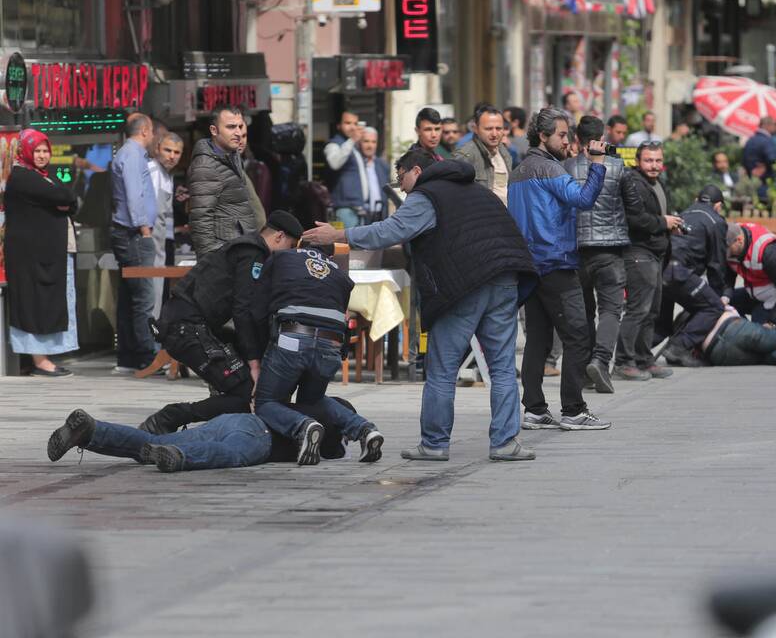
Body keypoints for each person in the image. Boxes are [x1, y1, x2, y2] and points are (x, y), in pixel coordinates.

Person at [303, 149, 539, 460]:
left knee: (442, 368)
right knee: (503, 367)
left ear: (416, 170)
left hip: (466, 285)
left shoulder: (428, 195)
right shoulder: (478, 191)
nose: (401, 187)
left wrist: (339, 234)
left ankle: (434, 443)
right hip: (507, 277)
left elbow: (390, 231)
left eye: (401, 178)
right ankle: (506, 443)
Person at [136, 212, 303, 434]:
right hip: (186, 328)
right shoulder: (252, 253)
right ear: (279, 236)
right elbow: (243, 310)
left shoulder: (244, 247)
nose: (288, 254)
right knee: (245, 393)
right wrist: (254, 363)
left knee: (246, 374)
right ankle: (168, 418)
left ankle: (225, 426)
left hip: (191, 324)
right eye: (290, 247)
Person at [509, 107, 611, 431]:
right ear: (543, 136)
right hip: (556, 262)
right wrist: (597, 164)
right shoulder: (550, 170)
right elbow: (583, 198)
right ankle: (573, 409)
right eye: (562, 135)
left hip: (531, 265)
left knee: (538, 339)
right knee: (579, 336)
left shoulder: (519, 170)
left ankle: (535, 409)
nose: (567, 141)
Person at [250, 245, 384, 466]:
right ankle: (364, 429)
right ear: (329, 256)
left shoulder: (283, 257)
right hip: (331, 343)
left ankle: (302, 426)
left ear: (300, 244)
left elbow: (257, 307)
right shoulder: (339, 274)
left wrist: (257, 352)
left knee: (266, 403)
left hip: (293, 337)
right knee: (312, 401)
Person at [48, 400, 365, 472]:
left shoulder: (304, 404)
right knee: (230, 455)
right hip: (260, 439)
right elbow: (335, 452)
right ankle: (181, 459)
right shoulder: (327, 426)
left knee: (153, 442)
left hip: (237, 419)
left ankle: (91, 431)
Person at [562, 115, 638, 393]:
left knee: (583, 312)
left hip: (576, 251)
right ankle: (601, 360)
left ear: (576, 140)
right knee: (610, 309)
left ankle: (584, 369)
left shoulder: (565, 167)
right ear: (602, 140)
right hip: (611, 250)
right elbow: (635, 209)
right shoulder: (619, 168)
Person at [4, 129, 78, 377]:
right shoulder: (23, 177)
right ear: (26, 151)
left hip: (41, 254)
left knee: (42, 304)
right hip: (29, 257)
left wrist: (66, 201)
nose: (42, 155)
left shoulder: (41, 176)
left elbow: (70, 200)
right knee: (32, 304)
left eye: (46, 150)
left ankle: (41, 358)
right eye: (37, 150)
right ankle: (39, 360)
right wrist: (64, 201)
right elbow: (65, 195)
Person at [614, 141, 681, 381]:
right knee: (638, 310)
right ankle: (623, 361)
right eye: (649, 160)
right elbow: (635, 219)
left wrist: (670, 226)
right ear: (638, 162)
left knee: (652, 310)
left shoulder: (657, 183)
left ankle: (644, 359)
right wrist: (663, 223)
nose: (654, 165)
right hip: (638, 253)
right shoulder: (634, 183)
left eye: (658, 161)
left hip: (655, 253)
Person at [657, 186, 728, 367]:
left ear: (696, 199)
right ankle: (679, 347)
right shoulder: (716, 220)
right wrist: (718, 294)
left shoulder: (684, 213)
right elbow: (717, 264)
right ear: (718, 205)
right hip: (679, 272)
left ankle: (630, 356)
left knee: (661, 325)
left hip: (660, 269)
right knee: (712, 307)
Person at [110, 113, 159, 373]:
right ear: (145, 130)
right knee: (142, 297)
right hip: (133, 233)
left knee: (131, 297)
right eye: (152, 132)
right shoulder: (132, 155)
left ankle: (128, 357)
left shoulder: (129, 153)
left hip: (129, 233)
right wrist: (144, 228)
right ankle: (145, 355)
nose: (153, 137)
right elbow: (134, 194)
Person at [188, 105, 259, 258]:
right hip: (225, 254)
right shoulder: (205, 165)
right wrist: (211, 263)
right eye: (231, 127)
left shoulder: (232, 156)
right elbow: (201, 218)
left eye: (240, 126)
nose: (238, 133)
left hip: (240, 247)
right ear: (214, 130)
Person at [724, 222, 776, 329]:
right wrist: (725, 296)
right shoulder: (730, 240)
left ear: (739, 240)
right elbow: (728, 276)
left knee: (759, 339)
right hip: (754, 293)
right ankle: (743, 333)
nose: (726, 254)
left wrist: (773, 321)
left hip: (775, 298)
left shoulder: (768, 250)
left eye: (728, 249)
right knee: (719, 307)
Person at [324, 113, 391, 229]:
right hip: (345, 210)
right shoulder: (334, 144)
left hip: (359, 211)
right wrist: (352, 140)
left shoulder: (354, 149)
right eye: (347, 123)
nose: (352, 127)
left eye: (355, 123)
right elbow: (335, 163)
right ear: (339, 125)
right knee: (347, 246)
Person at [149, 132, 182, 318]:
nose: (171, 156)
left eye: (177, 152)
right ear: (157, 149)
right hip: (154, 245)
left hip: (164, 242)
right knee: (154, 293)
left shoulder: (167, 175)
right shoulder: (154, 172)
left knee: (160, 293)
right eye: (167, 150)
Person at [453, 104, 514, 205]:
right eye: (489, 129)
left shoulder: (504, 151)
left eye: (498, 128)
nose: (494, 134)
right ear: (475, 129)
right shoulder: (466, 156)